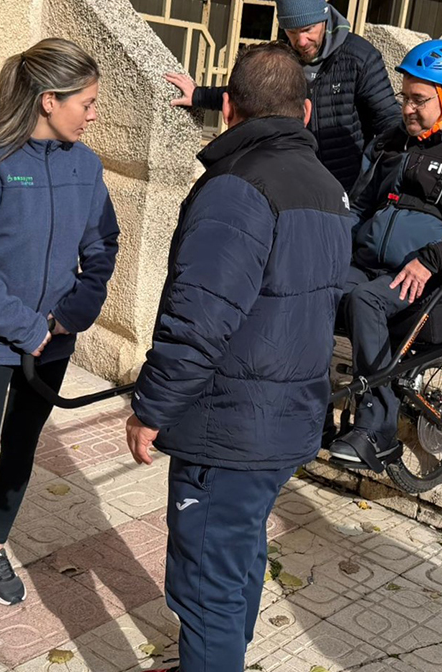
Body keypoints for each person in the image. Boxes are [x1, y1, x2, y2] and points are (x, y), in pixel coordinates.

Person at [125, 43, 351, 672]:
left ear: (227, 109)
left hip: (230, 429)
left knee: (207, 586)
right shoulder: (328, 189)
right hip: (283, 419)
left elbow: (199, 318)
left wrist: (151, 408)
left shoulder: (235, 188)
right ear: (304, 112)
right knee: (240, 553)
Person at [0, 38, 120, 638]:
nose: (94, 114)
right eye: (86, 103)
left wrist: (71, 316)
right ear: (48, 100)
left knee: (21, 449)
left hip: (54, 340)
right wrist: (27, 328)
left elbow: (102, 247)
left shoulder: (85, 166)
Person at [326, 39, 442, 472]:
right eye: (404, 96)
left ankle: (379, 430)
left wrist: (431, 259)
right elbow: (359, 205)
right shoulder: (394, 139)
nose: (407, 108)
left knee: (364, 301)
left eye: (419, 100)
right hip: (370, 260)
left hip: (434, 275)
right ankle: (314, 414)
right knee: (315, 289)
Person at [164, 0, 398, 191]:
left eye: (308, 29)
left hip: (344, 186)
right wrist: (197, 95)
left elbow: (389, 123)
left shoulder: (360, 57)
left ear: (324, 17)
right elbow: (249, 93)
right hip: (290, 179)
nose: (302, 41)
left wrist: (373, 179)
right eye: (293, 32)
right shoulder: (283, 56)